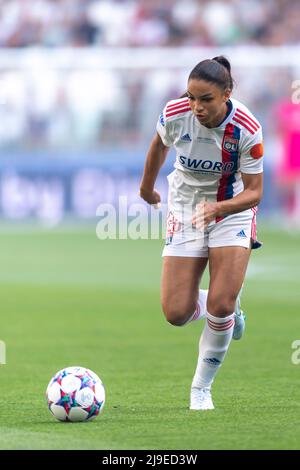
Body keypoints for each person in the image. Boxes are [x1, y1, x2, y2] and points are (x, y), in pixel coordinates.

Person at [140, 56, 263, 410]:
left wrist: (220, 208)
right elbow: (158, 146)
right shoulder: (176, 112)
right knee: (176, 313)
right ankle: (227, 300)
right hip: (185, 207)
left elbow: (255, 191)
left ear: (227, 93)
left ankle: (201, 389)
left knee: (219, 305)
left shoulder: (247, 128)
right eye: (192, 97)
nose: (197, 107)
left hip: (232, 209)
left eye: (206, 99)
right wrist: (147, 189)